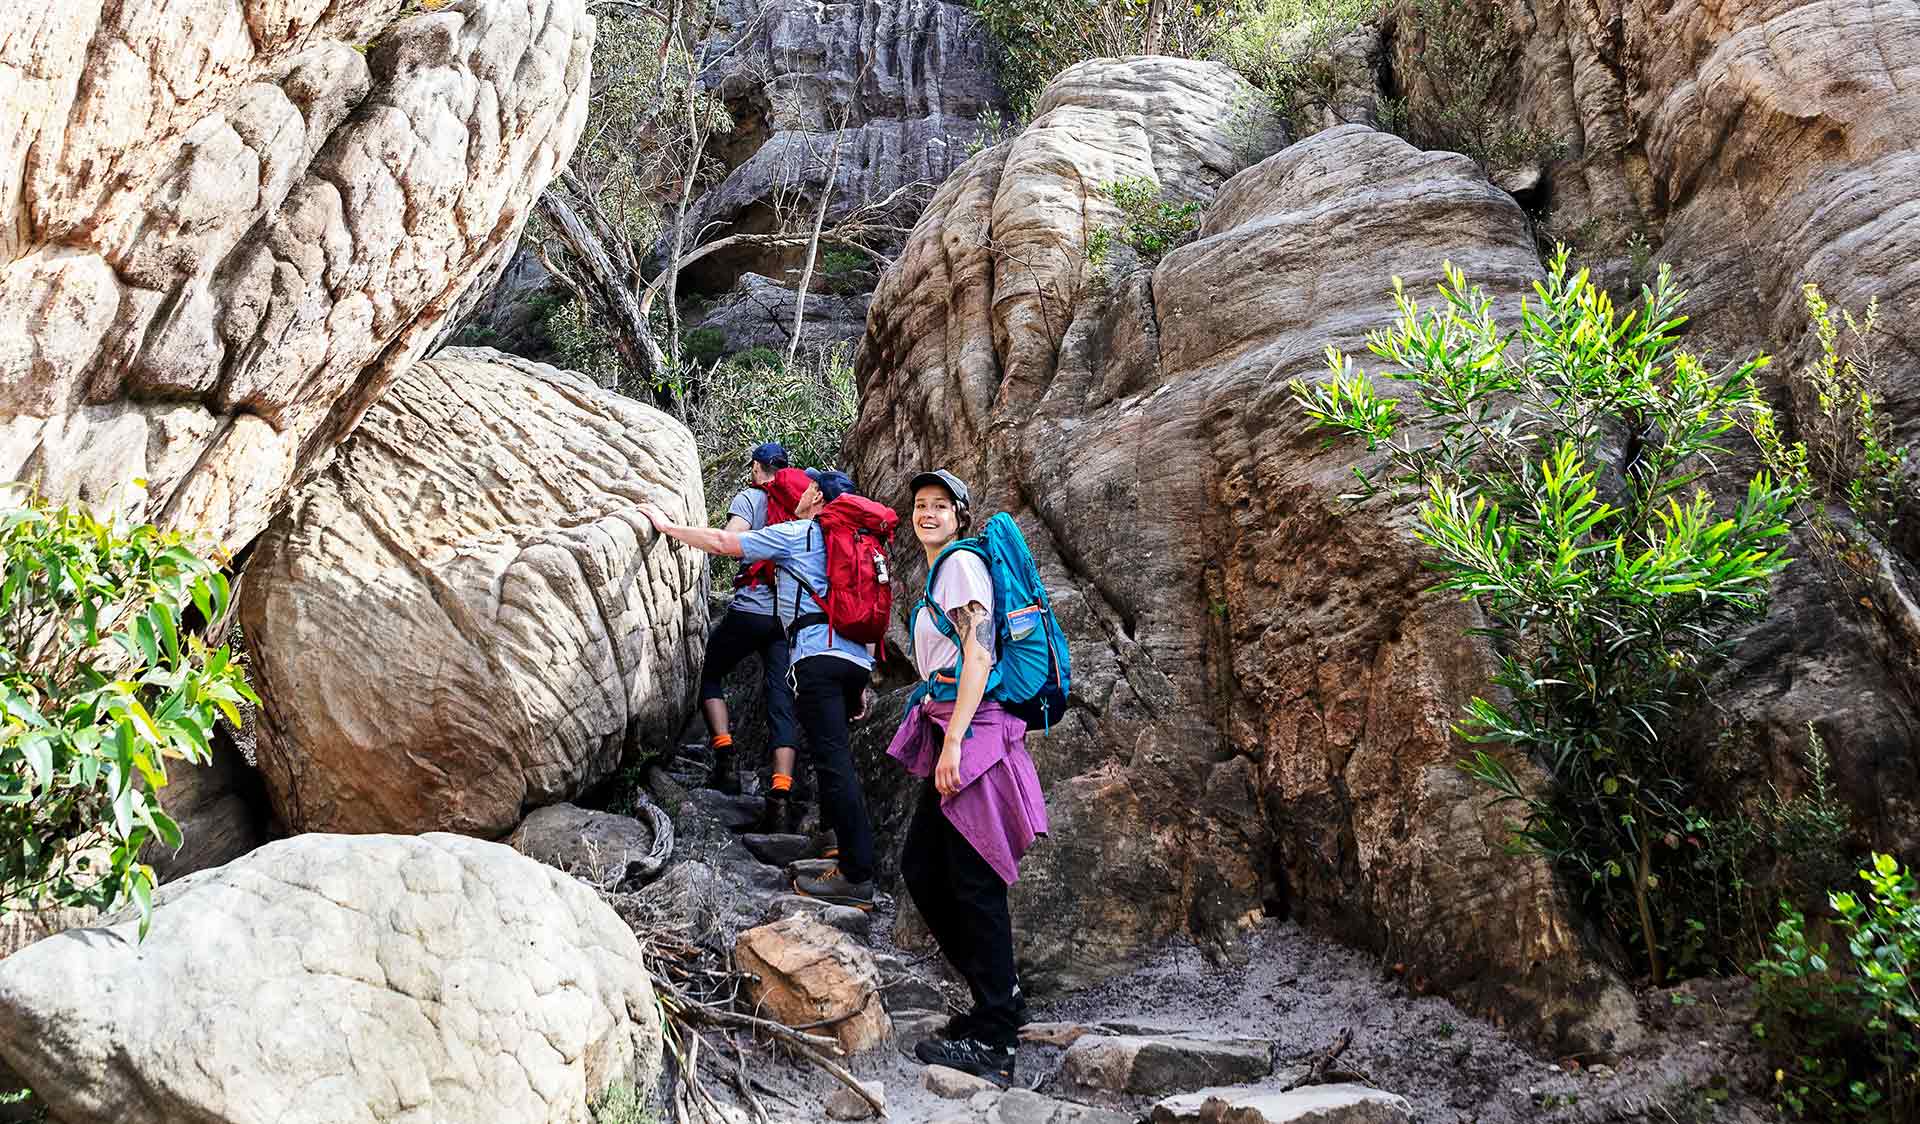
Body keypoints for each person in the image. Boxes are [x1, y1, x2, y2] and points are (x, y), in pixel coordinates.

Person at [639, 469, 882, 909]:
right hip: (853, 662)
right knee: (834, 758)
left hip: (817, 657)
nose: (802, 494)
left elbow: (723, 543)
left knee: (834, 764)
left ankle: (856, 875)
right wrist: (862, 682)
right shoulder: (860, 543)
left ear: (816, 497)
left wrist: (666, 526)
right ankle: (837, 852)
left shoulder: (800, 533)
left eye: (808, 489)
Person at [888, 469, 1048, 1089]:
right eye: (920, 505)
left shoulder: (958, 565)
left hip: (973, 729)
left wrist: (953, 740)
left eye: (940, 506)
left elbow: (978, 652)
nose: (927, 513)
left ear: (960, 516)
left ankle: (998, 1042)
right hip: (958, 723)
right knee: (927, 869)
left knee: (972, 876)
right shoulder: (941, 571)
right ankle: (996, 1000)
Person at [700, 443, 802, 830]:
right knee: (781, 700)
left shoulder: (750, 497)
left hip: (749, 612)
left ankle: (724, 756)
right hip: (785, 621)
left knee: (709, 671)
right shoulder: (800, 502)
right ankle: (780, 792)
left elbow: (731, 540)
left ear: (758, 468)